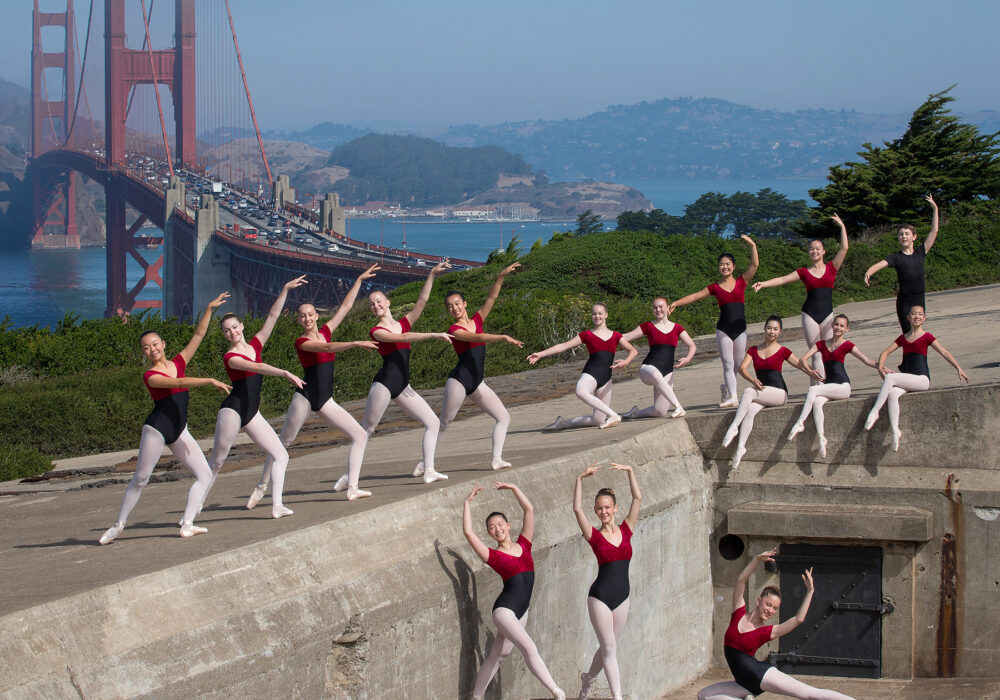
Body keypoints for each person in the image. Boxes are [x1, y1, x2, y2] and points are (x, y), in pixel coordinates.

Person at [98, 292, 232, 544]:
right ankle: (118, 525)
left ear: (163, 344)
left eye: (155, 344)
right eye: (146, 347)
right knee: (140, 478)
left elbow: (198, 336)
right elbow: (178, 382)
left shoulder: (179, 361)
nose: (152, 349)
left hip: (179, 430)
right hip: (157, 429)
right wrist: (209, 380)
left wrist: (209, 309)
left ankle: (188, 523)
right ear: (144, 352)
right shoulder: (151, 376)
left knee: (204, 475)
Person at [245, 265, 380, 507]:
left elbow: (346, 307)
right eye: (303, 316)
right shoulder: (302, 341)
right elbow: (326, 349)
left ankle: (353, 487)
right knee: (283, 442)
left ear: (317, 315)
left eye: (310, 314)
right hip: (305, 397)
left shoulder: (326, 331)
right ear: (299, 320)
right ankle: (260, 487)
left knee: (360, 435)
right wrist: (355, 343)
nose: (307, 318)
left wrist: (358, 279)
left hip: (325, 400)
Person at [205, 276, 307, 519]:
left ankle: (277, 505)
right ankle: (193, 510)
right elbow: (257, 369)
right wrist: (284, 372)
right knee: (217, 463)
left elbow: (271, 317)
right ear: (225, 335)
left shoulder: (255, 345)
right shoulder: (230, 357)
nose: (232, 332)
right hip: (233, 411)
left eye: (235, 327)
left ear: (242, 326)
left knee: (281, 454)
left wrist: (284, 288)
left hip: (252, 413)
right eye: (227, 331)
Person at [697, 548, 855, 700]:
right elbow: (741, 580)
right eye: (768, 604)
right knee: (704, 695)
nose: (770, 610)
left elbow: (797, 620)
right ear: (759, 601)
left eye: (775, 608)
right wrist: (757, 559)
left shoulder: (766, 632)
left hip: (761, 675)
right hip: (743, 683)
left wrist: (810, 592)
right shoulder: (738, 613)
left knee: (810, 694)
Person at [463, 482, 566, 700]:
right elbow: (469, 533)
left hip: (522, 611)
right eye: (492, 527)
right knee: (529, 647)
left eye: (500, 524)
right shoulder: (493, 556)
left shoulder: (525, 544)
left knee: (499, 654)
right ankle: (558, 692)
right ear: (490, 534)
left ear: (508, 525)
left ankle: (476, 696)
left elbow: (529, 510)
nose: (497, 528)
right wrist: (467, 504)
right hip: (505, 611)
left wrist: (514, 488)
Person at [419, 263, 523, 474]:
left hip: (477, 382)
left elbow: (491, 299)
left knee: (503, 417)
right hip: (459, 381)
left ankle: (496, 459)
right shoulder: (454, 329)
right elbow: (477, 337)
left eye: (457, 303)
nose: (454, 308)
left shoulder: (477, 319)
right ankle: (425, 463)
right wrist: (502, 337)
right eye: (450, 306)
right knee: (445, 422)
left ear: (464, 303)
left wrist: (501, 275)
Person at [362, 261, 454, 484]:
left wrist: (431, 274)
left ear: (388, 302)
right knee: (366, 430)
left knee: (433, 422)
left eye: (379, 301)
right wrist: (433, 335)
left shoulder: (402, 323)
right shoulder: (377, 331)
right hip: (384, 384)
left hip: (403, 386)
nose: (376, 305)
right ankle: (349, 476)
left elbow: (421, 302)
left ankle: (429, 469)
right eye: (372, 304)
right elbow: (401, 339)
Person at [752, 214, 849, 382]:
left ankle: (827, 383)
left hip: (827, 315)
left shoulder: (831, 268)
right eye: (811, 248)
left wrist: (842, 227)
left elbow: (844, 248)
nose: (814, 251)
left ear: (824, 251)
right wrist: (763, 284)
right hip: (809, 314)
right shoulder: (804, 272)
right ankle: (817, 385)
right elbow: (783, 279)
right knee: (814, 352)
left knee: (826, 351)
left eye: (818, 248)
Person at [573, 463, 641, 700]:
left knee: (607, 647)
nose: (604, 512)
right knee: (610, 648)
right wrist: (580, 478)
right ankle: (618, 697)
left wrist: (630, 471)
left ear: (615, 508)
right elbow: (577, 510)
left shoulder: (627, 529)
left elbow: (638, 497)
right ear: (596, 510)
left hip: (623, 597)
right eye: (599, 508)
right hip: (600, 597)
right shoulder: (595, 536)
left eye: (607, 508)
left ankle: (588, 679)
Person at [670, 236, 759, 407]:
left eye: (728, 264)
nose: (725, 267)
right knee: (727, 363)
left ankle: (726, 388)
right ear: (718, 267)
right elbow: (695, 296)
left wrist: (753, 245)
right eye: (722, 264)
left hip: (740, 329)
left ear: (733, 266)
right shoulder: (714, 287)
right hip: (724, 329)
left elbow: (754, 265)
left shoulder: (742, 282)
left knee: (738, 364)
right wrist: (676, 303)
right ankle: (733, 396)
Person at [865, 305, 969, 450]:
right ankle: (896, 431)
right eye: (914, 314)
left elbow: (944, 352)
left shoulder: (927, 337)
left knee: (890, 378)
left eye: (920, 314)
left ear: (924, 318)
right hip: (909, 381)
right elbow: (885, 352)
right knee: (893, 393)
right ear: (908, 317)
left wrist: (958, 367)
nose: (917, 316)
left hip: (922, 380)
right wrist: (881, 367)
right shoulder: (903, 338)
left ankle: (875, 411)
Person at [722, 316, 819, 469]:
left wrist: (812, 373)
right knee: (749, 411)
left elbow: (800, 365)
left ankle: (734, 427)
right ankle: (741, 447)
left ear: (780, 331)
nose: (771, 332)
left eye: (775, 329)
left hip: (779, 393)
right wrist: (752, 379)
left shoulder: (783, 350)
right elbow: (742, 368)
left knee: (748, 392)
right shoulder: (754, 350)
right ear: (764, 328)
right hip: (763, 393)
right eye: (769, 328)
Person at [527, 303, 638, 431]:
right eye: (594, 313)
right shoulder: (586, 335)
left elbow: (633, 350)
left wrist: (626, 361)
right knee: (581, 391)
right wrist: (540, 354)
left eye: (600, 313)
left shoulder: (616, 336)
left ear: (606, 315)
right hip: (591, 373)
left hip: (606, 378)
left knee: (598, 420)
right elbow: (563, 346)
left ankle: (563, 423)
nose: (597, 316)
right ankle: (613, 415)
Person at [787, 314, 878, 457]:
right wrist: (811, 372)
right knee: (817, 402)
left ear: (847, 329)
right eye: (836, 324)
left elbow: (866, 360)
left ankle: (800, 422)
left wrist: (881, 366)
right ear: (832, 325)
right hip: (830, 387)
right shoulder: (821, 345)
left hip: (843, 387)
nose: (838, 328)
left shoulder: (847, 345)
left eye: (842, 326)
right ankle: (822, 438)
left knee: (813, 389)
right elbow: (803, 359)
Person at [863, 194, 939, 333]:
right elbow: (880, 264)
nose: (903, 236)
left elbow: (934, 231)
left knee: (918, 333)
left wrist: (935, 209)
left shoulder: (920, 253)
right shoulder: (895, 257)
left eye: (907, 234)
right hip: (904, 301)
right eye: (901, 234)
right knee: (907, 334)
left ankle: (918, 355)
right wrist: (868, 273)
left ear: (914, 237)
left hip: (919, 298)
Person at [620, 296, 696, 420]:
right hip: (648, 368)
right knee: (656, 375)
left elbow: (692, 345)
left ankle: (634, 413)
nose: (658, 309)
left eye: (661, 306)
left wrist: (687, 359)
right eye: (655, 307)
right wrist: (605, 337)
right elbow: (626, 336)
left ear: (667, 308)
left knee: (659, 411)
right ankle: (678, 407)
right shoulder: (648, 326)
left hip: (667, 371)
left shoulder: (677, 328)